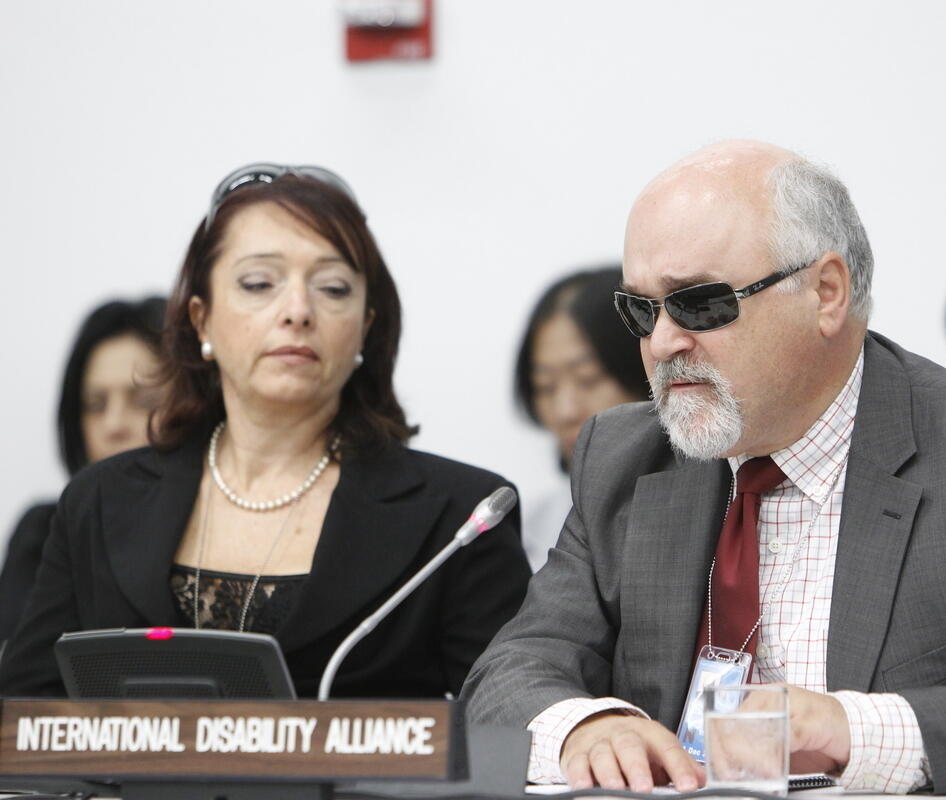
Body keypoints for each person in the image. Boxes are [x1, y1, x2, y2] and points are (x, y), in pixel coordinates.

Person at [462, 141, 946, 795]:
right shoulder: (622, 456)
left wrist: (849, 730)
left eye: (699, 304)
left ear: (826, 292)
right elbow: (511, 670)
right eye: (641, 311)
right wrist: (586, 727)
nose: (663, 342)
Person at [0, 163, 530, 697]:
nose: (298, 311)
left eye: (333, 288)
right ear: (201, 319)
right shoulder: (97, 502)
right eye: (259, 283)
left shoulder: (461, 520)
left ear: (365, 327)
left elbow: (507, 717)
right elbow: (25, 714)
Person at [0, 297, 166, 643]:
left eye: (144, 401)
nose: (114, 425)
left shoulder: (218, 532)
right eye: (95, 405)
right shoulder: (41, 534)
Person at [515, 266, 649, 569]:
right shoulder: (526, 532)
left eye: (589, 378)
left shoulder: (720, 510)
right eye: (545, 386)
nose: (566, 410)